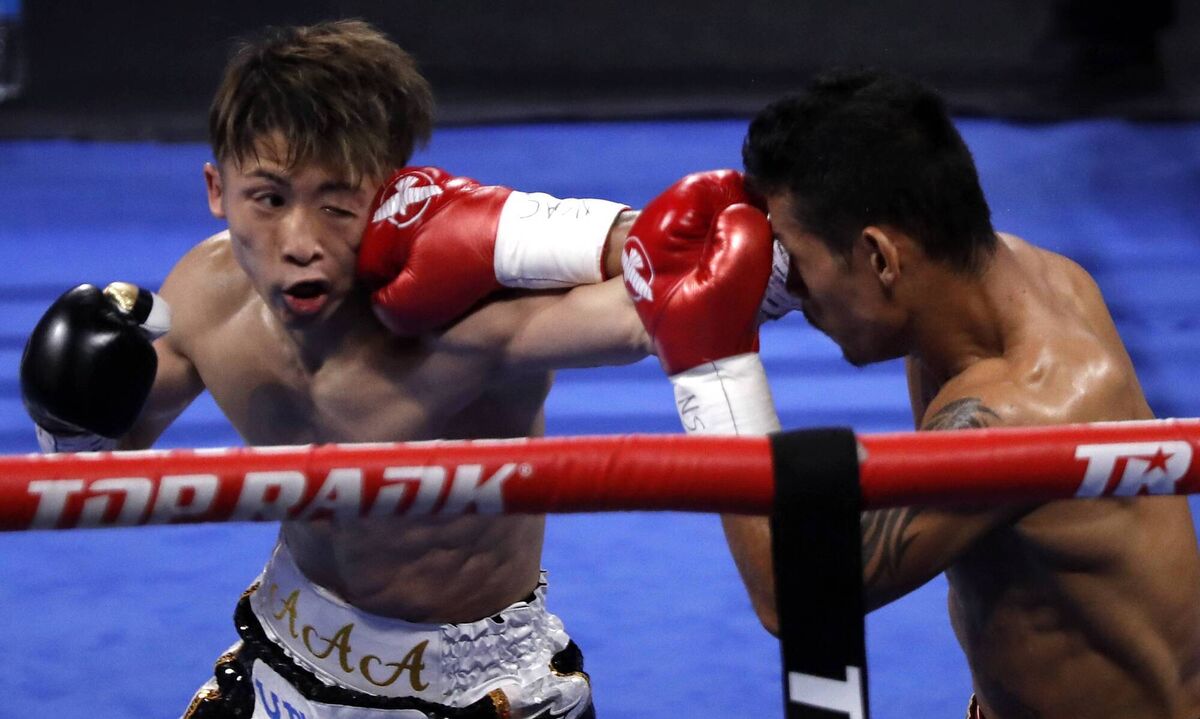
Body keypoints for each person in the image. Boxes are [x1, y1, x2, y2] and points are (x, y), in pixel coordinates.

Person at [19, 20, 656, 719]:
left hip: (478, 686)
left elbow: (649, 311)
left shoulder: (472, 314)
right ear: (216, 189)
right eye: (268, 198)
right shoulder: (202, 296)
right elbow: (96, 462)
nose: (300, 243)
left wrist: (546, 230)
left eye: (339, 202)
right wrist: (63, 407)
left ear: (393, 194)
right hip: (287, 654)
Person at [623, 69, 1200, 718]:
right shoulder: (1013, 280)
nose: (797, 294)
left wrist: (712, 363)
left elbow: (797, 594)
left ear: (879, 258)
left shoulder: (1025, 409)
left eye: (796, 263)